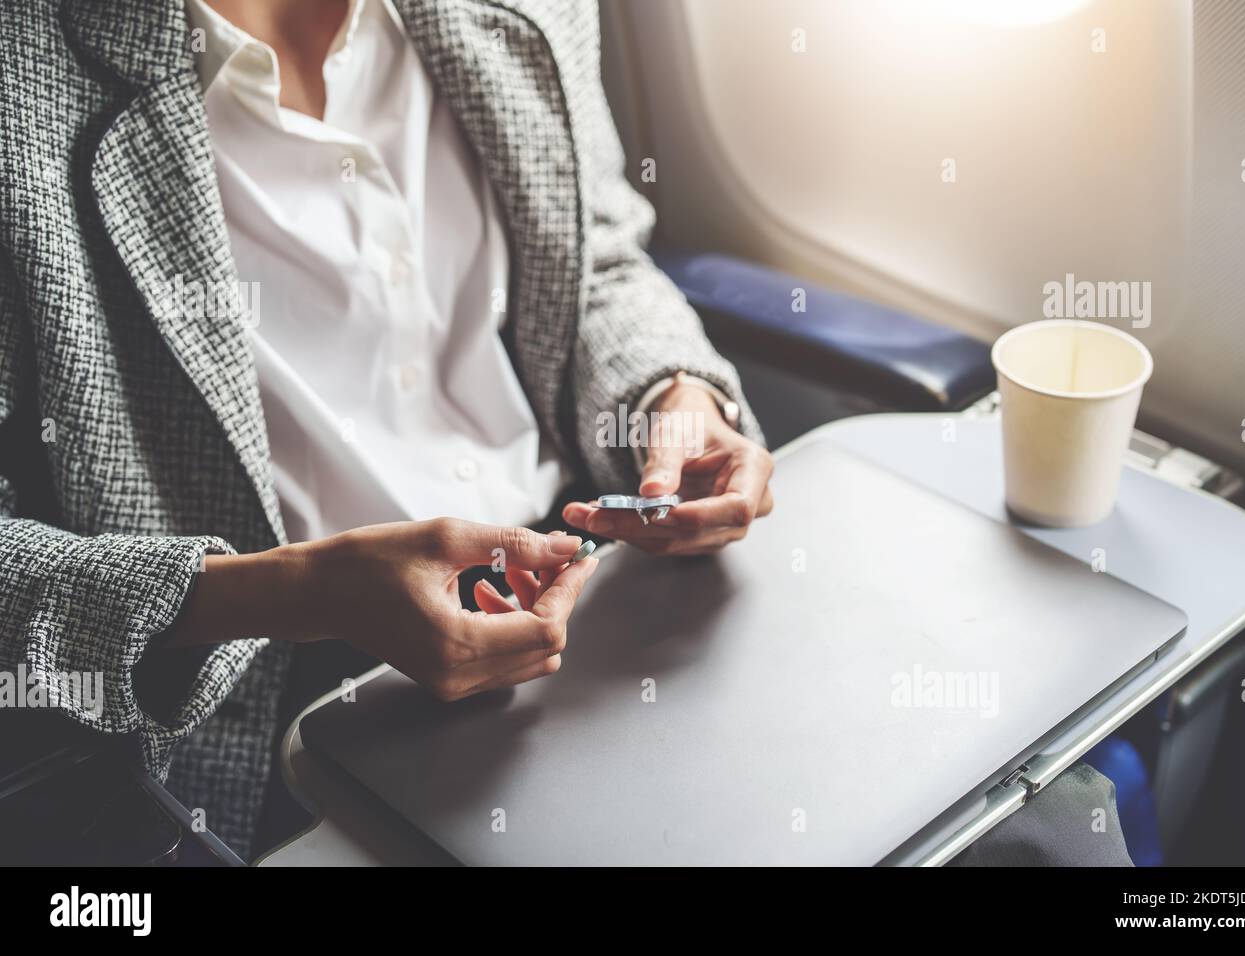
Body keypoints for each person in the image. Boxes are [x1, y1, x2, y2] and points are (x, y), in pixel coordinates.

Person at [0, 0, 1126, 866]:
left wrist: (675, 396)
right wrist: (284, 590)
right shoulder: (26, 79)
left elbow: (594, 258)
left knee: (1036, 814)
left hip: (591, 561)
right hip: (284, 664)